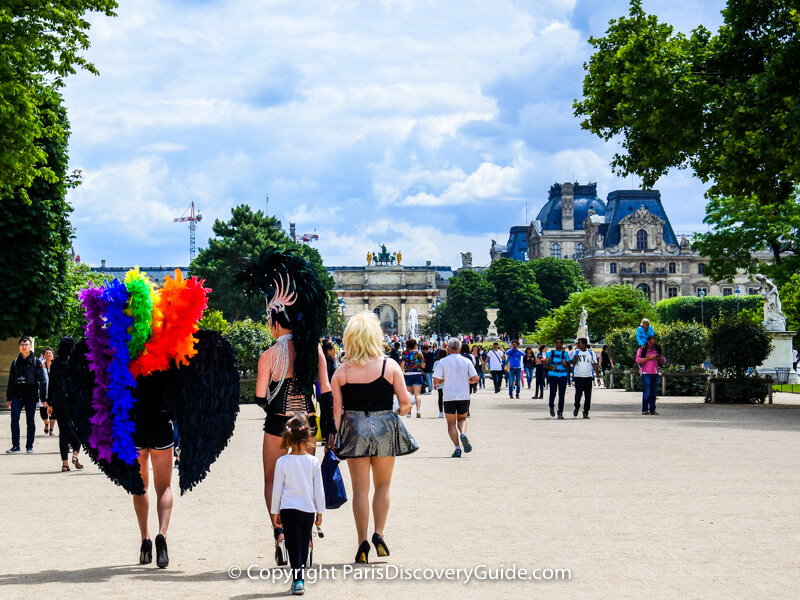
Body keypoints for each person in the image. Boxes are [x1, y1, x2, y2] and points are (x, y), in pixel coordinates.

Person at [251, 252, 333, 567]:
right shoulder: (313, 347)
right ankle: (307, 533)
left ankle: (280, 532)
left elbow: (260, 396)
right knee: (307, 479)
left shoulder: (268, 355)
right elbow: (324, 389)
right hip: (307, 420)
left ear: (275, 320)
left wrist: (273, 401)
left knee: (272, 479)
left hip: (276, 421)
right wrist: (331, 427)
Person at [331, 311, 418, 564]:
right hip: (383, 427)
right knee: (383, 486)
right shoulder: (389, 366)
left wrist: (334, 440)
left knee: (360, 489)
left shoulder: (342, 371)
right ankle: (379, 534)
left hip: (354, 428)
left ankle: (361, 543)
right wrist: (400, 411)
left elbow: (336, 411)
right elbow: (405, 402)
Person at [271, 414, 325, 596]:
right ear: (308, 436)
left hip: (288, 509)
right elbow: (319, 490)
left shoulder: (282, 462)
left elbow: (277, 489)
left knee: (293, 544)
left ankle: (298, 579)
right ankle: (300, 577)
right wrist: (320, 512)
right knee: (303, 541)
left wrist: (274, 511)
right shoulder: (314, 462)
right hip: (308, 509)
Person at [433, 338, 479, 458]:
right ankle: (463, 433)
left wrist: (444, 379)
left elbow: (436, 380)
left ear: (448, 349)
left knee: (451, 423)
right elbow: (475, 378)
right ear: (460, 348)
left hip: (449, 396)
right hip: (464, 395)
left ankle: (457, 448)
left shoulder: (443, 361)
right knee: (462, 419)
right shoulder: (466, 361)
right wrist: (467, 380)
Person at [45, 337, 84, 472]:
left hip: (59, 400)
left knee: (63, 432)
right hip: (74, 399)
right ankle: (75, 455)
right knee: (77, 429)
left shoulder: (55, 363)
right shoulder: (76, 362)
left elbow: (52, 384)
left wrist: (49, 403)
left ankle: (64, 464)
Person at [6, 337, 47, 454]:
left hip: (31, 395)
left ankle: (29, 446)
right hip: (17, 395)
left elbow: (42, 381)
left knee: (30, 421)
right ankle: (15, 446)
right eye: (22, 345)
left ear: (30, 346)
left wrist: (44, 398)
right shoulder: (15, 362)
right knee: (14, 419)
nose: (24, 347)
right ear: (19, 347)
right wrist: (9, 398)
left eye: (26, 345)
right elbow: (11, 381)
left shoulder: (36, 362)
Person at [570, 338, 601, 419]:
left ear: (584, 344)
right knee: (578, 394)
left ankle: (586, 412)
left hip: (588, 377)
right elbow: (571, 363)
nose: (578, 345)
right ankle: (577, 406)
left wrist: (597, 377)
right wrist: (574, 359)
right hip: (578, 376)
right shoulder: (575, 352)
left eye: (579, 343)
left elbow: (595, 365)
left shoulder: (591, 353)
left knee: (588, 396)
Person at [636, 335, 665, 415]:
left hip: (655, 372)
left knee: (653, 393)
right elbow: (638, 360)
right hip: (646, 373)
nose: (653, 345)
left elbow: (663, 359)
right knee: (647, 393)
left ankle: (652, 409)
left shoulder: (657, 349)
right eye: (651, 343)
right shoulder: (642, 349)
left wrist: (661, 359)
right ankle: (645, 409)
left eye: (654, 343)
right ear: (648, 342)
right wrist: (649, 358)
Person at [544, 338, 570, 419]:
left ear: (562, 344)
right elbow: (545, 364)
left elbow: (569, 365)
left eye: (560, 342)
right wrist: (551, 368)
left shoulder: (565, 354)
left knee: (561, 395)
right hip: (553, 375)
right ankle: (551, 406)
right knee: (553, 393)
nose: (558, 344)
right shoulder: (550, 353)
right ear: (555, 344)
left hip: (563, 376)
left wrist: (565, 363)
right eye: (557, 342)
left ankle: (560, 412)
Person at [400, 339, 425, 418]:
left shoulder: (405, 353)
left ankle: (409, 412)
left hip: (408, 374)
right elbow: (423, 365)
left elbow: (402, 365)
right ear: (415, 345)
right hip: (417, 374)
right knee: (417, 394)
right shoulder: (419, 353)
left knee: (409, 394)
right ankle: (418, 410)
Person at [40, 347, 56, 436]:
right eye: (46, 353)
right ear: (44, 355)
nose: (48, 354)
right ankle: (46, 423)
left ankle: (51, 429)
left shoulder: (56, 365)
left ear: (53, 355)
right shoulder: (41, 365)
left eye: (50, 353)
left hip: (53, 391)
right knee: (43, 412)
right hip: (44, 390)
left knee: (54, 412)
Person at [433, 348, 448, 417]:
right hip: (448, 382)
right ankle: (447, 411)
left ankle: (441, 412)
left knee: (440, 397)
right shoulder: (448, 362)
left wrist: (435, 383)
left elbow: (435, 374)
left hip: (439, 382)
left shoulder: (436, 363)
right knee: (447, 398)